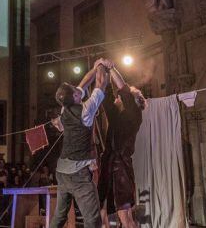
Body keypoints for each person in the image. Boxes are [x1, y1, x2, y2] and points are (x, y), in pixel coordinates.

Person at [50, 59, 109, 228]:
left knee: (59, 217)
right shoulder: (86, 110)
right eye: (75, 91)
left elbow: (83, 83)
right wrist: (103, 66)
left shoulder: (64, 108)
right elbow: (101, 82)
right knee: (92, 220)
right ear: (75, 96)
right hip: (78, 174)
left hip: (61, 171)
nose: (78, 89)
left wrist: (95, 65)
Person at [97, 62, 146, 228]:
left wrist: (111, 68)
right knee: (102, 207)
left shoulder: (133, 115)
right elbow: (106, 95)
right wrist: (100, 69)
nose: (117, 98)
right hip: (108, 164)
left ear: (129, 101)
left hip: (121, 167)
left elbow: (122, 89)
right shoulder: (116, 116)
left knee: (125, 216)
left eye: (121, 98)